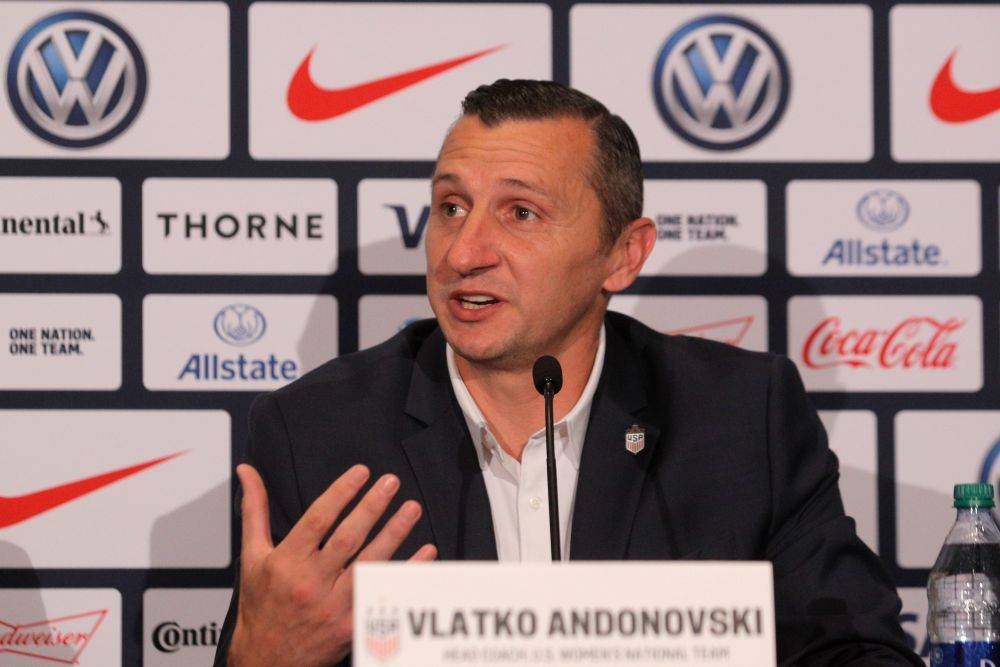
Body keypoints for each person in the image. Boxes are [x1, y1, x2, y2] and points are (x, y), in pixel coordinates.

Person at [215, 79, 921, 666]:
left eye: (520, 212)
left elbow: (856, 648)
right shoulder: (318, 433)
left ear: (622, 254)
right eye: (450, 207)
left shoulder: (738, 417)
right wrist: (260, 661)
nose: (464, 251)